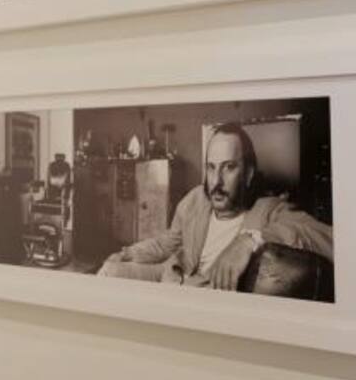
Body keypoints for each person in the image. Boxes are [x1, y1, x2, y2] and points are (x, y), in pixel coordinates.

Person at [97, 123, 332, 291]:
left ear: (248, 173)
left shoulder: (268, 209)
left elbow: (327, 237)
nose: (216, 182)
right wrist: (129, 253)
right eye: (211, 167)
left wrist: (249, 240)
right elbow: (168, 242)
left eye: (229, 167)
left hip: (202, 296)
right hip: (172, 274)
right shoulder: (196, 199)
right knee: (109, 270)